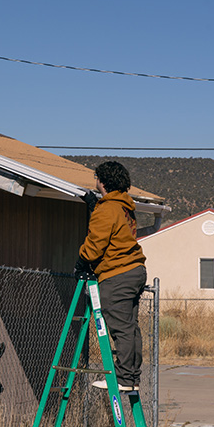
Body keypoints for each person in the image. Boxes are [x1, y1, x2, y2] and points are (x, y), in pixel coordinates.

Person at [75, 161, 147, 392]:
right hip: (134, 270)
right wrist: (96, 206)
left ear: (102, 181)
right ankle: (132, 377)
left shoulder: (107, 209)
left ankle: (124, 379)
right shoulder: (124, 207)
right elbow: (115, 230)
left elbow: (95, 245)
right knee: (130, 327)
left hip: (117, 273)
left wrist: (81, 261)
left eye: (96, 178)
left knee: (121, 328)